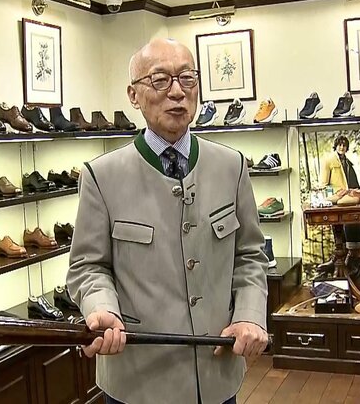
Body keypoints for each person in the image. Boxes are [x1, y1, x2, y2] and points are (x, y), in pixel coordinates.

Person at [66, 38, 269, 404]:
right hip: (138, 381)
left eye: (187, 78)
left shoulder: (232, 167)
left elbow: (249, 256)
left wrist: (251, 314)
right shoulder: (101, 176)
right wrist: (101, 308)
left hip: (216, 376)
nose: (177, 91)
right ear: (133, 94)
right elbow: (88, 266)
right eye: (160, 80)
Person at [316, 135, 360, 280]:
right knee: (339, 222)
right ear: (336, 146)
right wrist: (334, 194)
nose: (342, 148)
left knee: (353, 217)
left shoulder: (348, 163)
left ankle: (355, 256)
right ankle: (340, 257)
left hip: (350, 197)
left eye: (344, 145)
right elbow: (323, 184)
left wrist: (354, 192)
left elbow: (354, 183)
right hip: (337, 198)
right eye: (340, 145)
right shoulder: (329, 161)